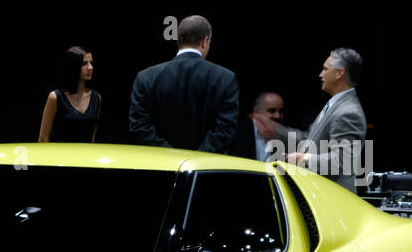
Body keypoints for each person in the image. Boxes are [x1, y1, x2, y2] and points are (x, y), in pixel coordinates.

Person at [256, 48, 367, 191]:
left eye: (325, 69)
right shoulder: (335, 105)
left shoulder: (348, 112)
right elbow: (308, 138)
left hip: (334, 198)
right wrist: (277, 131)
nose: (321, 74)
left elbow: (342, 161)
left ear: (339, 73)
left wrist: (304, 159)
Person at [128, 15, 239, 153]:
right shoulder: (225, 78)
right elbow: (225, 129)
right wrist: (198, 158)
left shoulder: (145, 77)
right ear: (205, 41)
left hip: (161, 168)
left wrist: (172, 156)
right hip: (207, 170)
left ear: (178, 40)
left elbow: (139, 127)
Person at [38, 46, 101, 142]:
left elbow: (92, 139)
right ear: (73, 65)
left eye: (91, 63)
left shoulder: (96, 98)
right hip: (60, 155)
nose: (90, 67)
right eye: (84, 63)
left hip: (85, 155)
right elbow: (43, 138)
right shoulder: (56, 97)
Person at [232, 91, 285, 161]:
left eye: (280, 111)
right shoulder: (238, 132)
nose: (277, 116)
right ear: (256, 111)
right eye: (272, 111)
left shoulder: (283, 136)